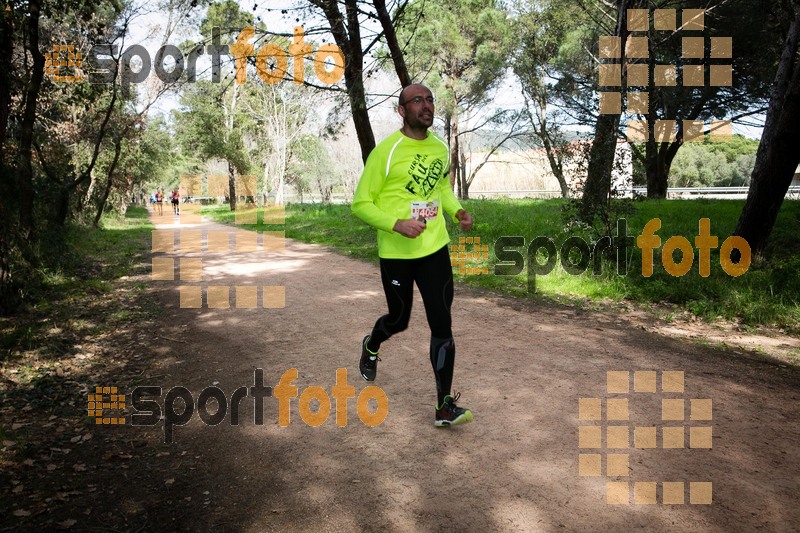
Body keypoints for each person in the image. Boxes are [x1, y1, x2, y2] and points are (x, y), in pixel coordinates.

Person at [351, 83, 475, 428]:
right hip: (397, 253)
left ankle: (444, 405)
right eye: (417, 100)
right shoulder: (386, 152)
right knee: (399, 319)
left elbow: (441, 190)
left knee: (442, 323)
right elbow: (360, 204)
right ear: (402, 111)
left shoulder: (438, 149)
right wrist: (396, 224)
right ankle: (372, 343)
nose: (426, 105)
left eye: (430, 99)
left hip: (434, 248)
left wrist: (457, 211)